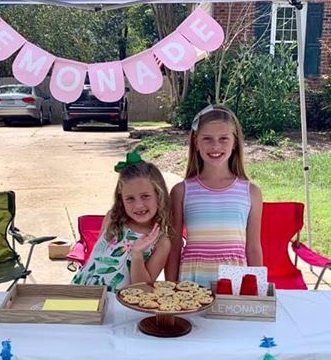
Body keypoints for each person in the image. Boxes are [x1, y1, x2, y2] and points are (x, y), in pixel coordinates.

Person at [165, 104, 263, 288]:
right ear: (196, 142)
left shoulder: (251, 193)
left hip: (234, 284)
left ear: (235, 142)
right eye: (207, 139)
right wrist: (170, 289)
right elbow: (174, 246)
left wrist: (257, 290)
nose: (215, 145)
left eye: (223, 138)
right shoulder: (181, 191)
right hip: (191, 283)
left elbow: (253, 247)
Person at [72, 153, 172, 292]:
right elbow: (95, 259)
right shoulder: (112, 219)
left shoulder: (161, 242)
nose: (138, 205)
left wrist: (137, 254)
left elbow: (142, 289)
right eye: (130, 198)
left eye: (145, 196)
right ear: (121, 199)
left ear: (159, 195)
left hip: (117, 307)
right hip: (81, 293)